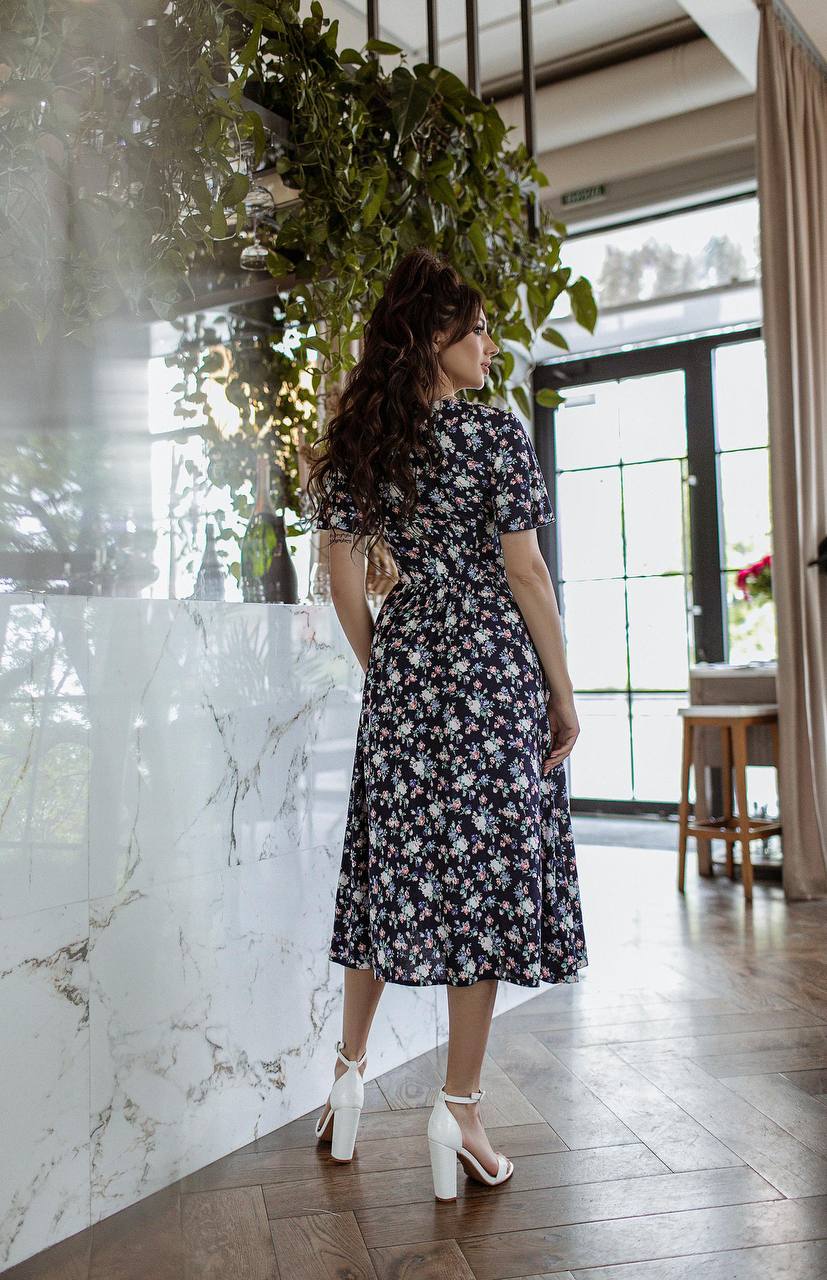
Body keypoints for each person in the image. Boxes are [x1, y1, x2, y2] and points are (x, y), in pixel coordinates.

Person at [305, 247, 588, 1201]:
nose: (490, 344)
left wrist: (385, 667)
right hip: (493, 680)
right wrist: (563, 687)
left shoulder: (357, 445)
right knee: (487, 885)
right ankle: (458, 1107)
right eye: (475, 330)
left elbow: (343, 580)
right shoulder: (491, 435)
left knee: (385, 870)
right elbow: (527, 575)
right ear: (434, 338)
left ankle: (346, 1081)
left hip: (405, 674)